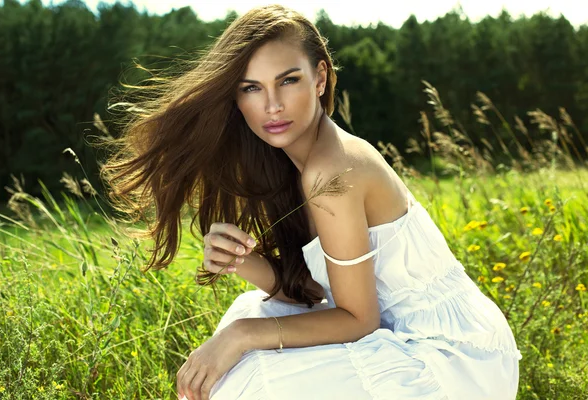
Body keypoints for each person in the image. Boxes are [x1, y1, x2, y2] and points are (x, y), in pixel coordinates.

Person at [100, 4, 522, 400]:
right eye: (251, 88)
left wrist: (241, 335)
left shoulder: (331, 171)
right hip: (406, 334)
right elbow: (322, 294)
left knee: (252, 363)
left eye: (288, 80)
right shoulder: (298, 167)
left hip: (453, 356)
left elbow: (358, 319)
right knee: (253, 329)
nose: (272, 105)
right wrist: (241, 262)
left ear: (320, 78)